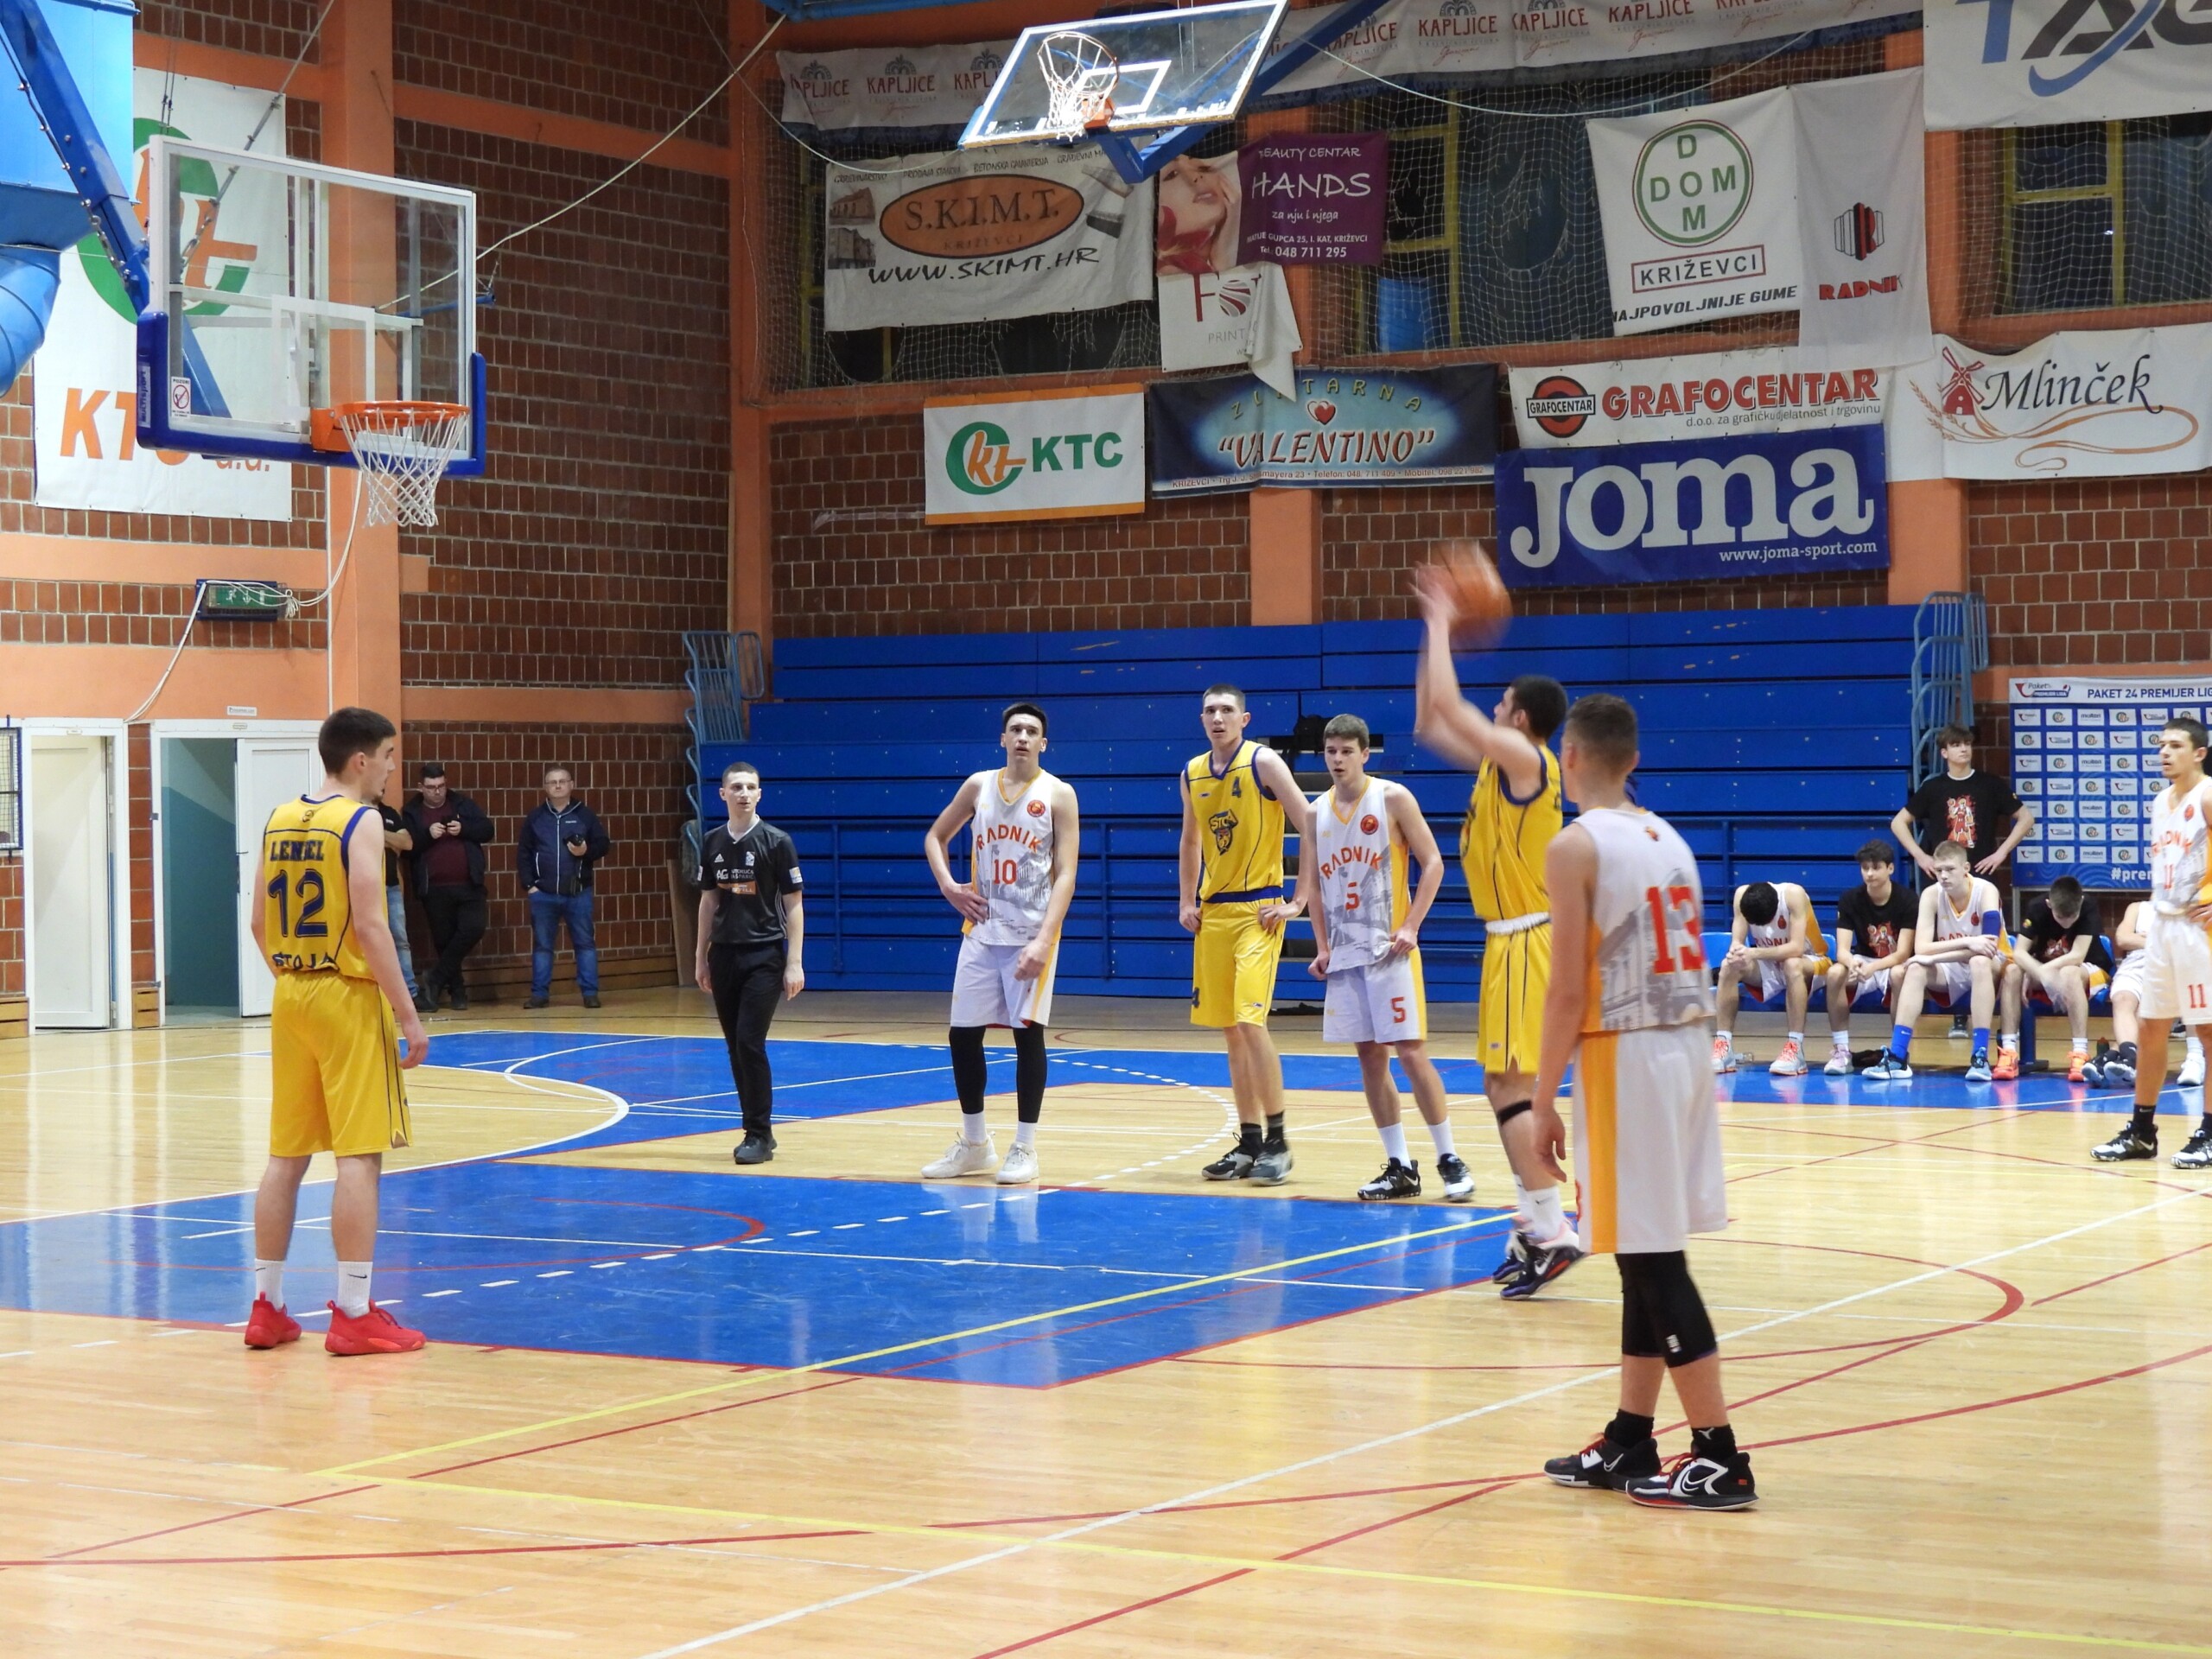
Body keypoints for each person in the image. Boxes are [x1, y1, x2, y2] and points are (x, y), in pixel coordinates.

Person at [1531, 695, 1755, 1510]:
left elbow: (1566, 988)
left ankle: (1720, 1455)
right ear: (1632, 760)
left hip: (1626, 1052)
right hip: (1686, 1046)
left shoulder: (1575, 845)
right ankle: (1631, 1436)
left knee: (1655, 1261)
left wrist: (1541, 1098)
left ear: (1570, 756)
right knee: (1639, 1250)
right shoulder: (1670, 838)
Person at [1412, 572, 1582, 1296]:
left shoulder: (1527, 759)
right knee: (1502, 1086)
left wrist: (1442, 620)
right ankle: (1536, 1219)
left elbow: (1451, 706)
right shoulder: (1499, 761)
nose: (1493, 708)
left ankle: (1552, 1228)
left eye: (1502, 702)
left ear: (1522, 718)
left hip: (1526, 939)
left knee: (1510, 1087)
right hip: (1508, 942)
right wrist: (1432, 636)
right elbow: (1431, 721)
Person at [244, 706, 429, 1357]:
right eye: (388, 757)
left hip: (291, 994)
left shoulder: (279, 817)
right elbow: (373, 927)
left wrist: (294, 979)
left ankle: (267, 1307)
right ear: (360, 760)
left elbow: (259, 924)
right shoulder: (361, 821)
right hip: (346, 994)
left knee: (285, 1157)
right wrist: (408, 1014)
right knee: (359, 1154)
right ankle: (353, 1312)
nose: (391, 769)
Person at [1296, 714, 1472, 1203]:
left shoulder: (1392, 797)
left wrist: (1411, 925)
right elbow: (1314, 888)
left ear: (1364, 754)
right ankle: (1399, 1167)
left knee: (1411, 1053)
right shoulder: (1314, 813)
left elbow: (1433, 863)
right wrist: (1323, 946)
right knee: (1370, 1058)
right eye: (1330, 751)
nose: (1337, 760)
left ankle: (1450, 1158)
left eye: (1346, 751)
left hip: (1390, 950)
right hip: (1347, 954)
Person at [918, 703, 1081, 1185]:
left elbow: (1067, 873)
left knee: (1026, 1035)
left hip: (1030, 935)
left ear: (1043, 743)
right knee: (962, 1035)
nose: (1023, 737)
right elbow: (935, 836)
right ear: (1003, 739)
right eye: (1015, 730)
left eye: (1032, 731)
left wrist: (1045, 940)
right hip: (981, 931)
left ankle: (1025, 1147)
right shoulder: (979, 785)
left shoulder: (1059, 793)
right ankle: (975, 1145)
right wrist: (950, 887)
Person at [1182, 684, 1304, 1185]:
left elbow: (1310, 823)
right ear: (1201, 718)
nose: (1217, 717)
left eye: (1226, 710)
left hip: (1259, 911)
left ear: (1244, 718)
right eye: (1210, 710)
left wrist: (1299, 899)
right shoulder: (1192, 772)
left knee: (1252, 1023)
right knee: (1231, 1031)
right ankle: (1250, 1141)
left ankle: (1278, 1140)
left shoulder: (1264, 763)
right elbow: (1191, 838)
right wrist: (1187, 899)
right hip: (1214, 913)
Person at [2093, 716, 2212, 1167]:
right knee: (2150, 1027)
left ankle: (2209, 1134)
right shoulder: (2161, 801)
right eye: (2161, 744)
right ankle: (2142, 1132)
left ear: (2199, 753)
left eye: (2176, 745)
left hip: (2199, 929)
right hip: (2162, 923)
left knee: (2209, 1032)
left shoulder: (2207, 795)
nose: (2164, 752)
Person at [694, 761, 804, 1166]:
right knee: (734, 1047)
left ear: (760, 794)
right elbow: (709, 901)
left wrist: (794, 962)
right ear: (723, 793)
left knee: (749, 1041)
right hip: (724, 954)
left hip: (764, 955)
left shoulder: (777, 842)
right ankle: (754, 1129)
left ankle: (759, 1132)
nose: (744, 793)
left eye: (751, 787)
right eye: (736, 787)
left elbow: (794, 905)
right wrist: (700, 956)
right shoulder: (712, 841)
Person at [1860, 842, 2008, 1083]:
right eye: (1939, 870)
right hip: (1953, 964)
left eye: (1950, 869)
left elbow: (1989, 946)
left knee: (1979, 962)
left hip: (1992, 966)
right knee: (1915, 968)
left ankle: (1979, 1056)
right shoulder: (1931, 894)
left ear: (1966, 868)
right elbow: (1922, 948)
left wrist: (1936, 955)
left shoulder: (1986, 890)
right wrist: (1968, 942)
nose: (1944, 876)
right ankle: (1898, 1057)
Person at [2085, 897, 2207, 1091]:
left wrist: (2143, 940)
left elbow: (2190, 942)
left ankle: (2193, 1059)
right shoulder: (2137, 908)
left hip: (2173, 963)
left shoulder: (2189, 907)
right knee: (2123, 999)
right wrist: (2160, 941)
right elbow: (2123, 939)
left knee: (2149, 1010)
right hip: (2137, 962)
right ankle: (2129, 1057)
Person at [1712, 880, 1831, 1077]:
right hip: (1770, 962)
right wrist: (1736, 952)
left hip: (1811, 960)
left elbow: (1796, 949)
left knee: (1792, 964)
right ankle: (1723, 1046)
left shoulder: (1794, 895)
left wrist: (1754, 953)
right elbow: (1737, 942)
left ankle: (1795, 1048)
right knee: (1728, 966)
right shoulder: (1741, 896)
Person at [1999, 876, 2113, 1082]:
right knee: (2012, 971)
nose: (2067, 923)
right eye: (2061, 917)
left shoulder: (2088, 906)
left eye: (2073, 916)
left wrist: (2039, 971)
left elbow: (2077, 956)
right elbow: (2019, 952)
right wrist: (2036, 971)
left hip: (2089, 967)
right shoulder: (2036, 908)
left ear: (2080, 902)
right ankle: (2008, 1052)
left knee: (2069, 972)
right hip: (2048, 970)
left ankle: (2080, 1053)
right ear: (2049, 904)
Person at [1821, 841, 1918, 1075]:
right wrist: (1852, 963)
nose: (1870, 874)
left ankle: (1898, 1054)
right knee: (1834, 973)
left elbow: (1903, 953)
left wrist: (1873, 968)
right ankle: (1842, 1051)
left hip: (1894, 963)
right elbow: (1842, 951)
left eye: (1876, 868)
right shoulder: (1850, 899)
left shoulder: (1908, 900)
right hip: (1863, 960)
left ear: (1890, 868)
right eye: (1865, 868)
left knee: (1899, 974)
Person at [403, 763, 493, 1012]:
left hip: (469, 883)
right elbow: (407, 849)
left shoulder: (462, 804)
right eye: (431, 787)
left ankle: (435, 977)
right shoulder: (411, 812)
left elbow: (487, 830)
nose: (437, 791)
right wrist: (427, 835)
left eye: (441, 786)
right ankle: (457, 991)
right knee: (444, 941)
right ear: (421, 788)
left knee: (474, 928)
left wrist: (464, 829)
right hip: (434, 889)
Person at [519, 765, 611, 1010]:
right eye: (553, 782)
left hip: (578, 892)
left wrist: (586, 851)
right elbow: (523, 852)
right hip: (543, 894)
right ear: (545, 787)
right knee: (542, 946)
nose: (558, 786)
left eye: (562, 781)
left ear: (572, 785)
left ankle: (590, 994)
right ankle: (539, 995)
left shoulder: (585, 815)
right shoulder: (535, 818)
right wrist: (529, 885)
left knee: (585, 944)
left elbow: (603, 844)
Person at [1892, 726, 2035, 880]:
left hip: (1981, 872)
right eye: (1956, 745)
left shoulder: (1991, 784)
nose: (1964, 749)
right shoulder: (1932, 787)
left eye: (1967, 744)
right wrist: (1920, 856)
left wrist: (2001, 853)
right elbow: (1898, 823)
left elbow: (2026, 818)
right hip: (1943, 875)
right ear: (1944, 753)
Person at [377, 799, 432, 1015]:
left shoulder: (389, 813)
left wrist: (379, 834)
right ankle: (376, 994)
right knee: (368, 941)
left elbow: (407, 843)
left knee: (400, 940)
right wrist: (392, 840)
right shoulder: (353, 810)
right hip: (367, 887)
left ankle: (410, 992)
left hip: (391, 886)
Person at [1154, 152, 1241, 276]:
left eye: (1201, 167)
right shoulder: (1168, 273)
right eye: (1172, 175)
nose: (1197, 176)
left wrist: (1221, 259)